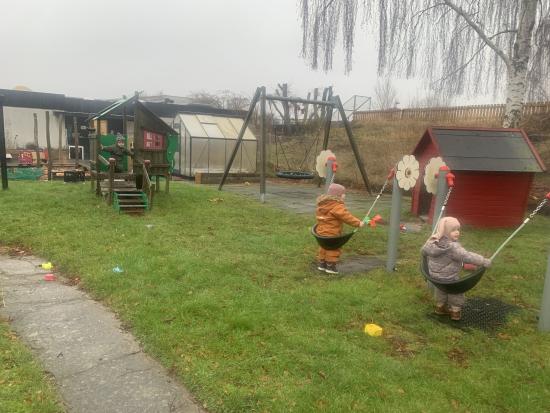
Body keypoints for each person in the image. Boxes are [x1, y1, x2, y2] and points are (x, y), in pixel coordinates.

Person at [421, 216, 491, 321]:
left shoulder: (431, 242)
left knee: (441, 288)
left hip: (434, 276)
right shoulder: (453, 247)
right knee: (455, 290)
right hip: (449, 277)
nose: (457, 232)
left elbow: (423, 252)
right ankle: (455, 312)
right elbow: (467, 256)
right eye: (453, 230)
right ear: (445, 231)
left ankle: (440, 308)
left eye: (458, 229)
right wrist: (483, 261)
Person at [316, 183, 365, 274]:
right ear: (338, 195)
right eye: (343, 194)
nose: (344, 195)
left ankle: (322, 264)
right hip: (332, 232)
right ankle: (330, 266)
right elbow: (347, 217)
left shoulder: (322, 204)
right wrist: (358, 223)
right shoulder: (337, 206)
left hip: (321, 231)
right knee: (333, 248)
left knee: (323, 247)